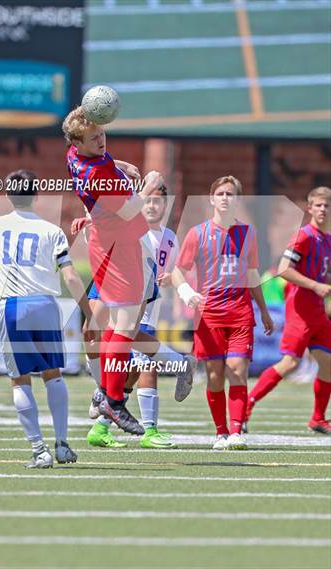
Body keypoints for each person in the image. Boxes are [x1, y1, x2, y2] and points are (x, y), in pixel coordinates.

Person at [62, 107, 195, 435]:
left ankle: (109, 394)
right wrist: (147, 186)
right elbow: (129, 208)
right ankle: (113, 398)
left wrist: (118, 165)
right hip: (120, 244)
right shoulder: (96, 175)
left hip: (110, 243)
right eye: (95, 138)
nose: (102, 140)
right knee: (122, 326)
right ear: (79, 141)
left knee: (112, 326)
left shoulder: (76, 154)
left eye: (103, 134)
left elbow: (102, 165)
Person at [0, 169, 94, 468]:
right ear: (35, 196)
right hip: (45, 304)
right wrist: (89, 312)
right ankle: (63, 444)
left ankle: (39, 450)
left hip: (14, 306)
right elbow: (70, 275)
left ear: (8, 195)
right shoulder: (51, 230)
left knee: (19, 381)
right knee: (53, 374)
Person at [173, 175, 274, 451]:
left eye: (231, 194)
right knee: (215, 375)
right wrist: (187, 293)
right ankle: (220, 432)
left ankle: (236, 431)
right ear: (212, 199)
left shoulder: (248, 234)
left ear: (237, 200)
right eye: (221, 193)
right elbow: (177, 272)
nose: (225, 198)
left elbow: (252, 275)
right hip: (209, 316)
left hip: (240, 313)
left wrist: (263, 311)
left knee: (237, 371)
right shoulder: (197, 233)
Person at [76, 185, 180, 449]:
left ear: (166, 206)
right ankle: (146, 427)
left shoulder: (169, 237)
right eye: (149, 200)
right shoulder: (131, 226)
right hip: (124, 296)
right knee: (126, 355)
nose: (153, 205)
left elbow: (174, 269)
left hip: (146, 301)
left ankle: (103, 427)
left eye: (159, 201)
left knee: (133, 370)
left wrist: (176, 283)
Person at [245, 186, 331, 434]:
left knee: (327, 363)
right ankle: (247, 405)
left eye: (327, 205)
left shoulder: (327, 240)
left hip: (317, 313)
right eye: (318, 205)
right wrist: (315, 285)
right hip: (300, 310)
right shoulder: (303, 236)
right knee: (290, 363)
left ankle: (317, 418)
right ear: (310, 208)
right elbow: (284, 268)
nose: (323, 209)